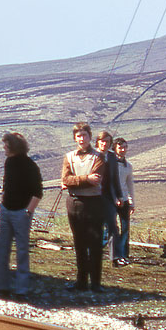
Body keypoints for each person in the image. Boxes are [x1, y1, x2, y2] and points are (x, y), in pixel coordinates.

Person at [0, 132, 43, 299]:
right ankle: (1, 287)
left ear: (13, 147)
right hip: (6, 210)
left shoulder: (30, 166)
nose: (4, 148)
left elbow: (37, 192)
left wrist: (28, 212)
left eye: (6, 146)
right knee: (1, 249)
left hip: (21, 212)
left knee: (21, 251)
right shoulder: (9, 162)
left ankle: (21, 289)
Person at [60, 122, 106, 292]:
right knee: (79, 243)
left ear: (90, 137)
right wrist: (86, 179)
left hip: (94, 203)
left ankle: (95, 283)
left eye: (84, 135)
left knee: (95, 243)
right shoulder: (69, 156)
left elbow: (98, 178)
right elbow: (65, 179)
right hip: (75, 203)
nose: (81, 139)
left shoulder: (99, 157)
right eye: (78, 136)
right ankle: (81, 282)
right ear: (74, 138)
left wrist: (75, 181)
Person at [95, 130, 123, 258]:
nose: (104, 144)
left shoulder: (112, 157)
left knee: (112, 225)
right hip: (93, 196)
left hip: (108, 196)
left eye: (107, 142)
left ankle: (114, 256)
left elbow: (115, 178)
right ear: (97, 142)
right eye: (102, 141)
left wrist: (119, 196)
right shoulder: (91, 155)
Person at [111, 138, 135, 266]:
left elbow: (129, 184)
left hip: (124, 200)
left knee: (125, 228)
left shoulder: (128, 165)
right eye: (120, 147)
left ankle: (124, 255)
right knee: (111, 228)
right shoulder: (109, 164)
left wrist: (131, 202)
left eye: (125, 147)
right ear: (115, 148)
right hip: (112, 200)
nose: (123, 150)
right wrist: (114, 198)